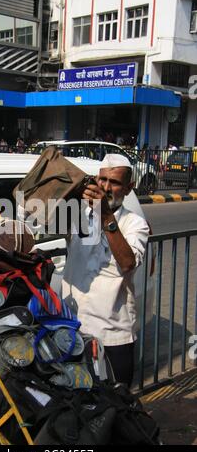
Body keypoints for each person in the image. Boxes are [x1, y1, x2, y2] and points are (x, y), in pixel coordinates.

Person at [62, 154, 149, 387]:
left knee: (116, 408)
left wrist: (106, 216)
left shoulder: (135, 224)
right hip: (73, 329)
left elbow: (128, 263)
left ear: (129, 188)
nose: (106, 187)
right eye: (102, 180)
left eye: (115, 182)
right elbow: (43, 219)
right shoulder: (77, 215)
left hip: (112, 336)